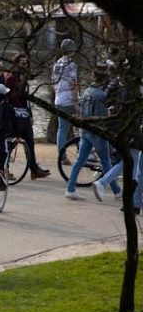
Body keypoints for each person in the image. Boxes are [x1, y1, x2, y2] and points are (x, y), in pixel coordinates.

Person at [65, 67, 119, 201]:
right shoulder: (101, 95)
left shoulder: (88, 92)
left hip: (85, 130)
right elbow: (101, 117)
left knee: (79, 161)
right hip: (97, 131)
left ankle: (70, 188)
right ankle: (116, 190)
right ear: (105, 80)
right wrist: (110, 112)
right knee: (106, 161)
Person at [6, 53, 50, 179]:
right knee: (11, 143)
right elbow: (9, 98)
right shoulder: (11, 79)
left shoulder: (22, 78)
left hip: (24, 114)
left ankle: (34, 169)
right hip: (15, 115)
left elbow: (26, 100)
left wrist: (30, 115)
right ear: (16, 64)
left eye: (27, 64)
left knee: (29, 141)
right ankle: (4, 169)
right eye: (23, 63)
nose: (26, 66)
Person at [52, 38, 80, 158]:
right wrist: (76, 103)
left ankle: (62, 156)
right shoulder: (71, 65)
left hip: (59, 99)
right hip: (69, 100)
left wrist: (58, 94)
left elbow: (53, 82)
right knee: (82, 126)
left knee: (62, 129)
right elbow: (73, 84)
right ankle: (83, 152)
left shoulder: (57, 64)